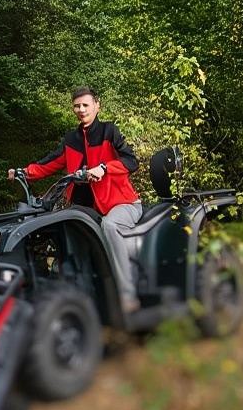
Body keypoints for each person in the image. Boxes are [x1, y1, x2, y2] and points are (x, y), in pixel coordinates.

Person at [9, 87, 143, 312]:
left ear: (97, 106)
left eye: (85, 105)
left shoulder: (109, 132)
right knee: (66, 228)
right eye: (76, 106)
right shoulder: (72, 140)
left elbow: (132, 161)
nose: (81, 110)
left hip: (122, 204)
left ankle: (127, 294)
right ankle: (81, 295)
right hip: (87, 209)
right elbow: (49, 163)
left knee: (110, 225)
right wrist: (23, 172)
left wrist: (104, 168)